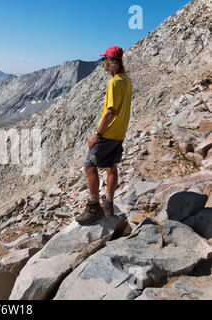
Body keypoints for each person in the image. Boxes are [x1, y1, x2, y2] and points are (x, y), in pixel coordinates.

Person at [75, 46, 133, 224]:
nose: (103, 64)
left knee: (89, 167)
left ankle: (94, 208)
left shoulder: (114, 82)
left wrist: (97, 135)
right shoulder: (126, 80)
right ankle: (108, 203)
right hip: (119, 134)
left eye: (104, 60)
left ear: (110, 62)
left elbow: (111, 111)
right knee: (111, 167)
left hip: (108, 134)